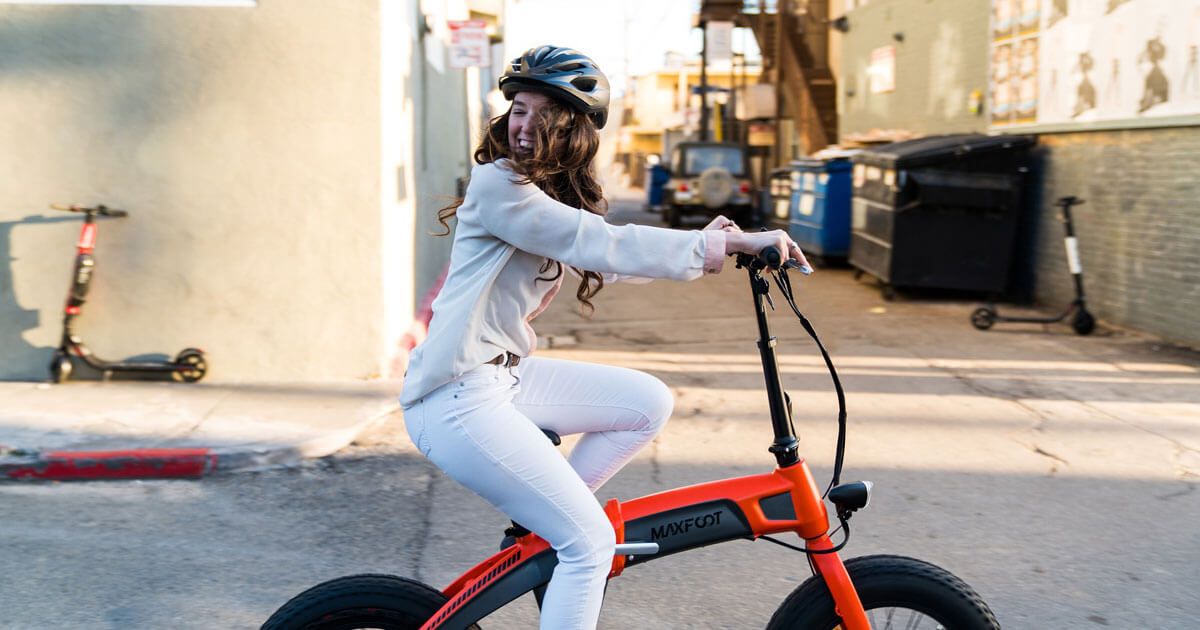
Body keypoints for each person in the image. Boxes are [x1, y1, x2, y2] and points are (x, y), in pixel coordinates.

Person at [399, 45, 809, 630]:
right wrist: (720, 247)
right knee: (589, 545)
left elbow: (607, 255)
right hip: (456, 399)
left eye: (542, 111)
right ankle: (566, 529)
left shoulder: (540, 197)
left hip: (498, 380)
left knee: (646, 402)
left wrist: (712, 242)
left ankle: (546, 518)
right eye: (517, 107)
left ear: (573, 129)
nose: (523, 122)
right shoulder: (498, 187)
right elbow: (598, 243)